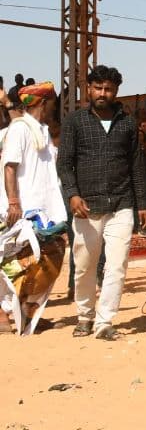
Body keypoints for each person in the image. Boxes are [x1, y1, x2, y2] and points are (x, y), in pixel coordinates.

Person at [57, 65, 146, 339]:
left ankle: (104, 322)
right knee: (84, 265)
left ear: (116, 91)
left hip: (122, 204)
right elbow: (64, 164)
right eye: (97, 88)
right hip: (86, 207)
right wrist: (72, 194)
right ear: (88, 89)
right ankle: (84, 316)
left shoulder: (128, 124)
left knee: (117, 265)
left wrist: (143, 202)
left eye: (108, 89)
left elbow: (136, 165)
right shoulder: (75, 121)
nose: (102, 93)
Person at [0, 81, 68, 335]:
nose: (54, 106)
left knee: (46, 258)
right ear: (42, 102)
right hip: (22, 208)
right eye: (51, 101)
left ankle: (26, 311)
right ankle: (6, 314)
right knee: (12, 261)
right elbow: (10, 166)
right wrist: (14, 201)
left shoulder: (42, 130)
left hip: (45, 209)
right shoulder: (19, 129)